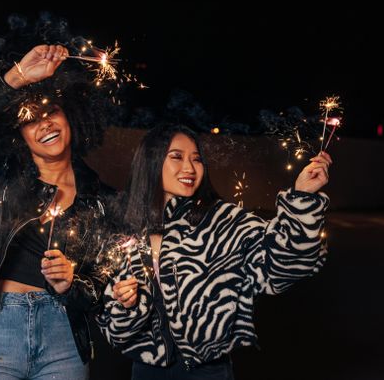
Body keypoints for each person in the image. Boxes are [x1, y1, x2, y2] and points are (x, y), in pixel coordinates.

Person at [97, 124, 331, 379]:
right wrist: (126, 305)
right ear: (151, 162)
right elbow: (113, 329)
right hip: (145, 372)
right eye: (176, 157)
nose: (189, 168)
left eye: (196, 159)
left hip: (209, 372)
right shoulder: (123, 229)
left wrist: (302, 198)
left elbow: (284, 265)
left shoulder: (224, 220)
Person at [0, 45, 114, 380]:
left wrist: (71, 282)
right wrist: (17, 76)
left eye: (52, 113)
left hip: (63, 335)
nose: (44, 125)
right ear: (20, 136)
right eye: (30, 120)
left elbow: (102, 286)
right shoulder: (4, 175)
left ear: (70, 117)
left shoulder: (100, 196)